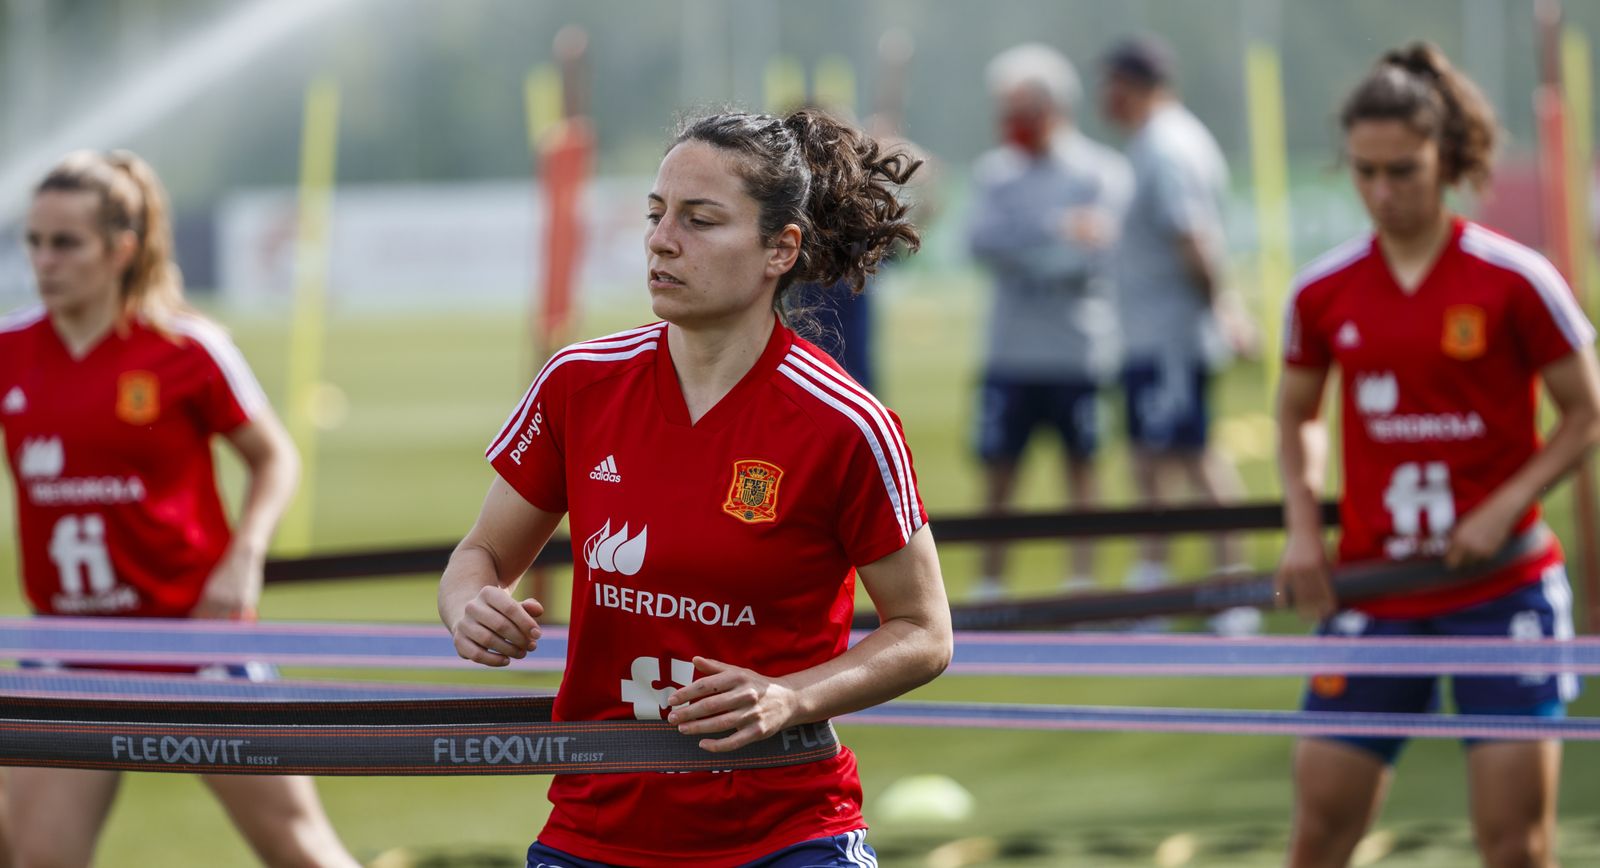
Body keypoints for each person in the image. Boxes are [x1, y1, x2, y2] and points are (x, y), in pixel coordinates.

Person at [438, 108, 952, 867]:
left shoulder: (847, 423)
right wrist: (468, 604)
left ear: (781, 248)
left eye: (701, 220)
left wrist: (792, 697)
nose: (661, 239)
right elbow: (480, 552)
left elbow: (924, 632)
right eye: (656, 214)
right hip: (594, 831)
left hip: (787, 834)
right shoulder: (579, 384)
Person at [1276, 43, 1600, 868]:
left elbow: (1586, 414)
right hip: (1377, 592)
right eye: (1365, 172)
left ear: (1446, 160)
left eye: (1404, 172)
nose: (1383, 193)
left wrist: (1503, 505)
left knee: (1515, 849)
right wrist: (1305, 530)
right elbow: (1298, 417)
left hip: (1503, 595)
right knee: (1317, 838)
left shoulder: (1517, 279)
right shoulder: (1322, 290)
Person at [0, 150, 358, 868]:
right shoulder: (10, 347)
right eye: (33, 241)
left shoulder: (186, 346)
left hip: (196, 645)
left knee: (301, 850)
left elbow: (273, 456)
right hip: (71, 651)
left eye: (65, 242)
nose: (44, 259)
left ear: (120, 249)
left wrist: (244, 555)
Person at [1099, 35, 1258, 633]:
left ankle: (1232, 590)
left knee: (1189, 457)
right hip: (1155, 332)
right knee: (1155, 459)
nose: (1102, 97)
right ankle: (1160, 584)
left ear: (1131, 83)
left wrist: (1224, 311)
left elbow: (1194, 241)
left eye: (1109, 83)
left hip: (1169, 335)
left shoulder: (1166, 146)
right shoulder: (1163, 140)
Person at [965, 43, 1130, 601]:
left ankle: (1081, 579)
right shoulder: (996, 174)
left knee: (1082, 470)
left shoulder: (1099, 171)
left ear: (1054, 107)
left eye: (1021, 109)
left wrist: (1033, 244)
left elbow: (1096, 254)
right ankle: (990, 580)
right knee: (997, 472)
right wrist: (1055, 233)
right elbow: (981, 243)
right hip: (1009, 351)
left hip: (1076, 349)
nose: (1010, 122)